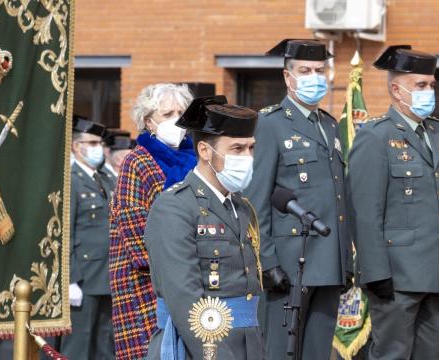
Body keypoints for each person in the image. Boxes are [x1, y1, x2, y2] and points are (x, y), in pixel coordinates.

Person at [347, 45, 439, 360]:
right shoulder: (376, 136)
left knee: (431, 353)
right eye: (420, 86)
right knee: (392, 354)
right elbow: (365, 212)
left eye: (431, 85)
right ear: (397, 90)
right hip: (396, 276)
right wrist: (375, 270)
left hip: (436, 274)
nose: (428, 92)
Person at [245, 39, 352, 360]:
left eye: (320, 70)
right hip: (289, 262)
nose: (314, 77)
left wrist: (345, 259)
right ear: (287, 77)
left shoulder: (329, 126)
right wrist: (267, 262)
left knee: (317, 351)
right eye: (304, 71)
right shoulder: (269, 124)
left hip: (328, 262)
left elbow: (338, 197)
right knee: (280, 352)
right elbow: (256, 199)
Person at [145, 95, 263, 359]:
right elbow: (185, 299)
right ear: (205, 151)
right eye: (236, 149)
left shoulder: (241, 206)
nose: (247, 157)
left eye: (250, 148)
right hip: (198, 347)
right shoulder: (174, 207)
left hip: (247, 343)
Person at [109, 83, 194, 360]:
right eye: (168, 113)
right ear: (148, 121)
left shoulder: (195, 158)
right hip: (148, 283)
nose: (177, 120)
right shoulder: (137, 161)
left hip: (192, 277)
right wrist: (179, 267)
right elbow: (135, 232)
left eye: (181, 112)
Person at [61, 116, 116, 359]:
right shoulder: (71, 180)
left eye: (99, 144)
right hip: (84, 276)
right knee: (79, 345)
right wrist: (71, 279)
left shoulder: (107, 179)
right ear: (76, 146)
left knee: (105, 342)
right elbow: (66, 232)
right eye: (92, 143)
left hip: (109, 273)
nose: (98, 149)